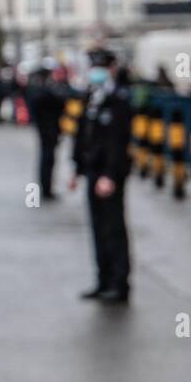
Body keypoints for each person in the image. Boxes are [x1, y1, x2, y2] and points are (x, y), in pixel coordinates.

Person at [71, 48, 134, 303]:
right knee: (97, 227)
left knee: (114, 228)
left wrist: (109, 175)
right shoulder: (91, 96)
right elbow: (82, 134)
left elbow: (118, 142)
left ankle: (120, 284)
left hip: (111, 174)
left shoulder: (119, 99)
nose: (95, 71)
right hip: (92, 171)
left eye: (101, 67)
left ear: (112, 68)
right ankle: (103, 280)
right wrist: (77, 168)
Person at [26, 60, 67, 202]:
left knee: (47, 159)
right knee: (47, 159)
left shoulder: (38, 89)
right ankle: (46, 190)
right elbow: (59, 103)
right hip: (47, 128)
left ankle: (47, 188)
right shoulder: (42, 91)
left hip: (47, 128)